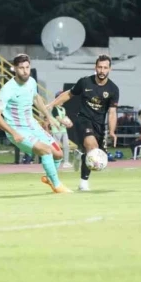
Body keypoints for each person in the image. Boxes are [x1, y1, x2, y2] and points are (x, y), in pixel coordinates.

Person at [0, 54, 71, 194]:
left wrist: (49, 117)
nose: (25, 71)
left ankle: (50, 178)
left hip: (33, 127)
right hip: (18, 130)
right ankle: (57, 185)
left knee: (58, 154)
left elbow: (36, 98)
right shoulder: (7, 89)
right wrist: (13, 133)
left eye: (27, 67)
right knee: (45, 150)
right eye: (21, 68)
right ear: (15, 69)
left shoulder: (32, 82)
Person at [47, 55, 119, 192]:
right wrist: (52, 104)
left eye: (105, 68)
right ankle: (84, 184)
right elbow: (69, 94)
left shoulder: (113, 89)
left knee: (99, 158)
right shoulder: (85, 82)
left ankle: (80, 154)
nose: (102, 70)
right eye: (100, 67)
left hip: (99, 125)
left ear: (110, 69)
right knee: (92, 148)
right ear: (95, 67)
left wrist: (111, 131)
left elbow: (112, 112)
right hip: (83, 120)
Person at [50, 91, 73, 169]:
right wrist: (65, 123)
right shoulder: (54, 108)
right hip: (56, 130)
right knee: (56, 146)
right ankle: (54, 161)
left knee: (66, 146)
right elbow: (58, 118)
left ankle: (66, 162)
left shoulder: (63, 109)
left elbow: (65, 117)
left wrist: (70, 123)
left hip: (63, 130)